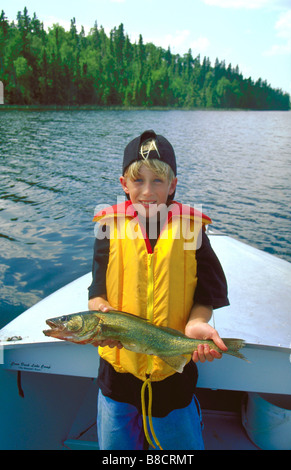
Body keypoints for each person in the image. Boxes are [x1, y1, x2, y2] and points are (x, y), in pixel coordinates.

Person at [88, 130, 229, 450]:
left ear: (173, 185)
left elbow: (208, 292)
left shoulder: (192, 231)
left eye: (158, 181)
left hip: (174, 377)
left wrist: (196, 323)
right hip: (116, 379)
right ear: (124, 184)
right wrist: (100, 315)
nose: (147, 192)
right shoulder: (108, 228)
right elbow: (97, 289)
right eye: (138, 182)